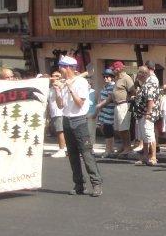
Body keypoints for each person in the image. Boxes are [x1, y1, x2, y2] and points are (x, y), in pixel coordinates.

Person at [53, 55, 102, 197]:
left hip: (79, 120)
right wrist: (58, 92)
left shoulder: (81, 82)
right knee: (72, 155)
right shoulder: (63, 82)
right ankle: (79, 184)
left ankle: (96, 184)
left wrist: (70, 88)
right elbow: (60, 105)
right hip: (67, 119)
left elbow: (79, 103)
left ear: (68, 68)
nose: (60, 69)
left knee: (86, 154)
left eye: (62, 66)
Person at [95, 69, 117, 158]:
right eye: (104, 76)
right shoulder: (105, 86)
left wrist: (100, 105)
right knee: (104, 129)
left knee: (108, 129)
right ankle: (110, 148)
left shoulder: (112, 86)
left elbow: (109, 98)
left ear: (111, 77)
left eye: (107, 76)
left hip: (109, 111)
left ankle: (108, 150)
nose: (105, 78)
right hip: (103, 111)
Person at [46, 70, 67, 158]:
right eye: (53, 76)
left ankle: (62, 150)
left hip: (60, 112)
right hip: (54, 113)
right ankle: (64, 148)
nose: (55, 78)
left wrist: (58, 87)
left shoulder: (63, 87)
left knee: (60, 131)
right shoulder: (50, 89)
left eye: (57, 76)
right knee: (59, 131)